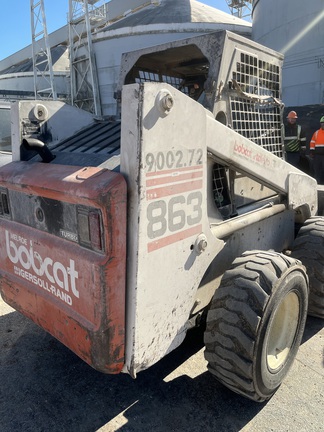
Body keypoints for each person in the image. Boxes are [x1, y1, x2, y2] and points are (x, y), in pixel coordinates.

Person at [310, 116, 324, 184]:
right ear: (320, 124)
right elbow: (312, 142)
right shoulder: (317, 133)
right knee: (317, 170)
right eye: (322, 123)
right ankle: (317, 183)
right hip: (317, 155)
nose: (323, 124)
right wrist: (312, 151)